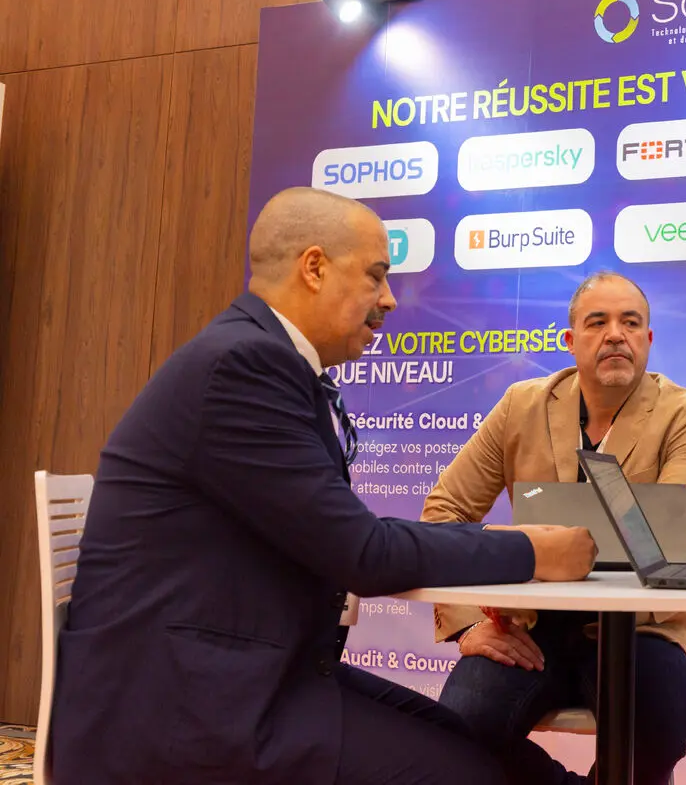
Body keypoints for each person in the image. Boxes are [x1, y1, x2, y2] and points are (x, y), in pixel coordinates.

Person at [50, 187, 597, 785]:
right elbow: (363, 552)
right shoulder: (242, 367)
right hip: (189, 705)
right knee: (472, 773)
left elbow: (347, 538)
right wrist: (531, 550)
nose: (389, 299)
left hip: (249, 671)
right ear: (314, 268)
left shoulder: (260, 359)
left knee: (480, 745)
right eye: (375, 276)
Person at [421, 271, 686, 785]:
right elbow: (445, 511)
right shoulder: (521, 405)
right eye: (597, 322)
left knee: (660, 725)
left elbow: (668, 529)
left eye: (630, 323)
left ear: (648, 339)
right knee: (459, 730)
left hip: (643, 629)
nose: (615, 335)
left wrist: (515, 545)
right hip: (532, 626)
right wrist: (470, 624)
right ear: (570, 340)